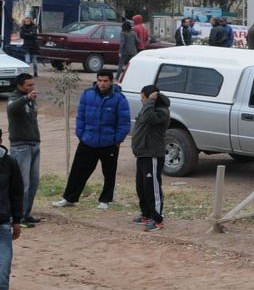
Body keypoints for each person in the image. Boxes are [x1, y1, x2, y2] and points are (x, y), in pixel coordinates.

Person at [52, 71, 130, 210]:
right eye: (100, 80)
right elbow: (80, 115)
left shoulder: (119, 98)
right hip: (88, 140)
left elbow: (124, 122)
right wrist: (81, 134)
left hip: (108, 143)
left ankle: (105, 200)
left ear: (111, 81)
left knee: (109, 173)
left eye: (105, 81)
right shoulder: (87, 94)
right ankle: (69, 198)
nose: (102, 83)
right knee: (78, 171)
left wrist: (117, 139)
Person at [130, 85, 170, 232]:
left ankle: (157, 219)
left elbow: (148, 119)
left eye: (143, 97)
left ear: (152, 98)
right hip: (142, 153)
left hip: (152, 154)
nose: (141, 100)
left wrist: (150, 102)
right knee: (141, 186)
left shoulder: (161, 112)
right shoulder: (149, 108)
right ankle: (146, 214)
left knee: (152, 188)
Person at [7, 74, 41, 228]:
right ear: (20, 85)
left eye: (32, 85)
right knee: (22, 184)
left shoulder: (30, 99)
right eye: (28, 85)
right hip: (20, 146)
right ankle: (17, 217)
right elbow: (11, 109)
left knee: (33, 182)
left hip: (34, 144)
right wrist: (26, 98)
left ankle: (26, 214)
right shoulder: (15, 98)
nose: (32, 88)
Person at [0, 135, 24, 290]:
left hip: (2, 226)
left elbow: (16, 193)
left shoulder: (9, 163)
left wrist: (17, 221)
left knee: (3, 270)